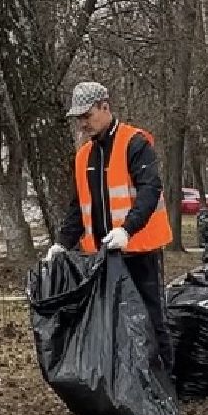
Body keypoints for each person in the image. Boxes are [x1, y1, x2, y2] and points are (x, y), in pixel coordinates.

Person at [49, 81, 175, 370]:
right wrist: (62, 244)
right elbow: (79, 206)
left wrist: (127, 230)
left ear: (104, 107)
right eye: (78, 118)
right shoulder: (84, 156)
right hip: (104, 255)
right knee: (112, 322)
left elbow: (149, 190)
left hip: (140, 250)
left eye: (87, 115)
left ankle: (164, 381)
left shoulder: (135, 143)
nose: (83, 124)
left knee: (151, 318)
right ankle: (126, 382)